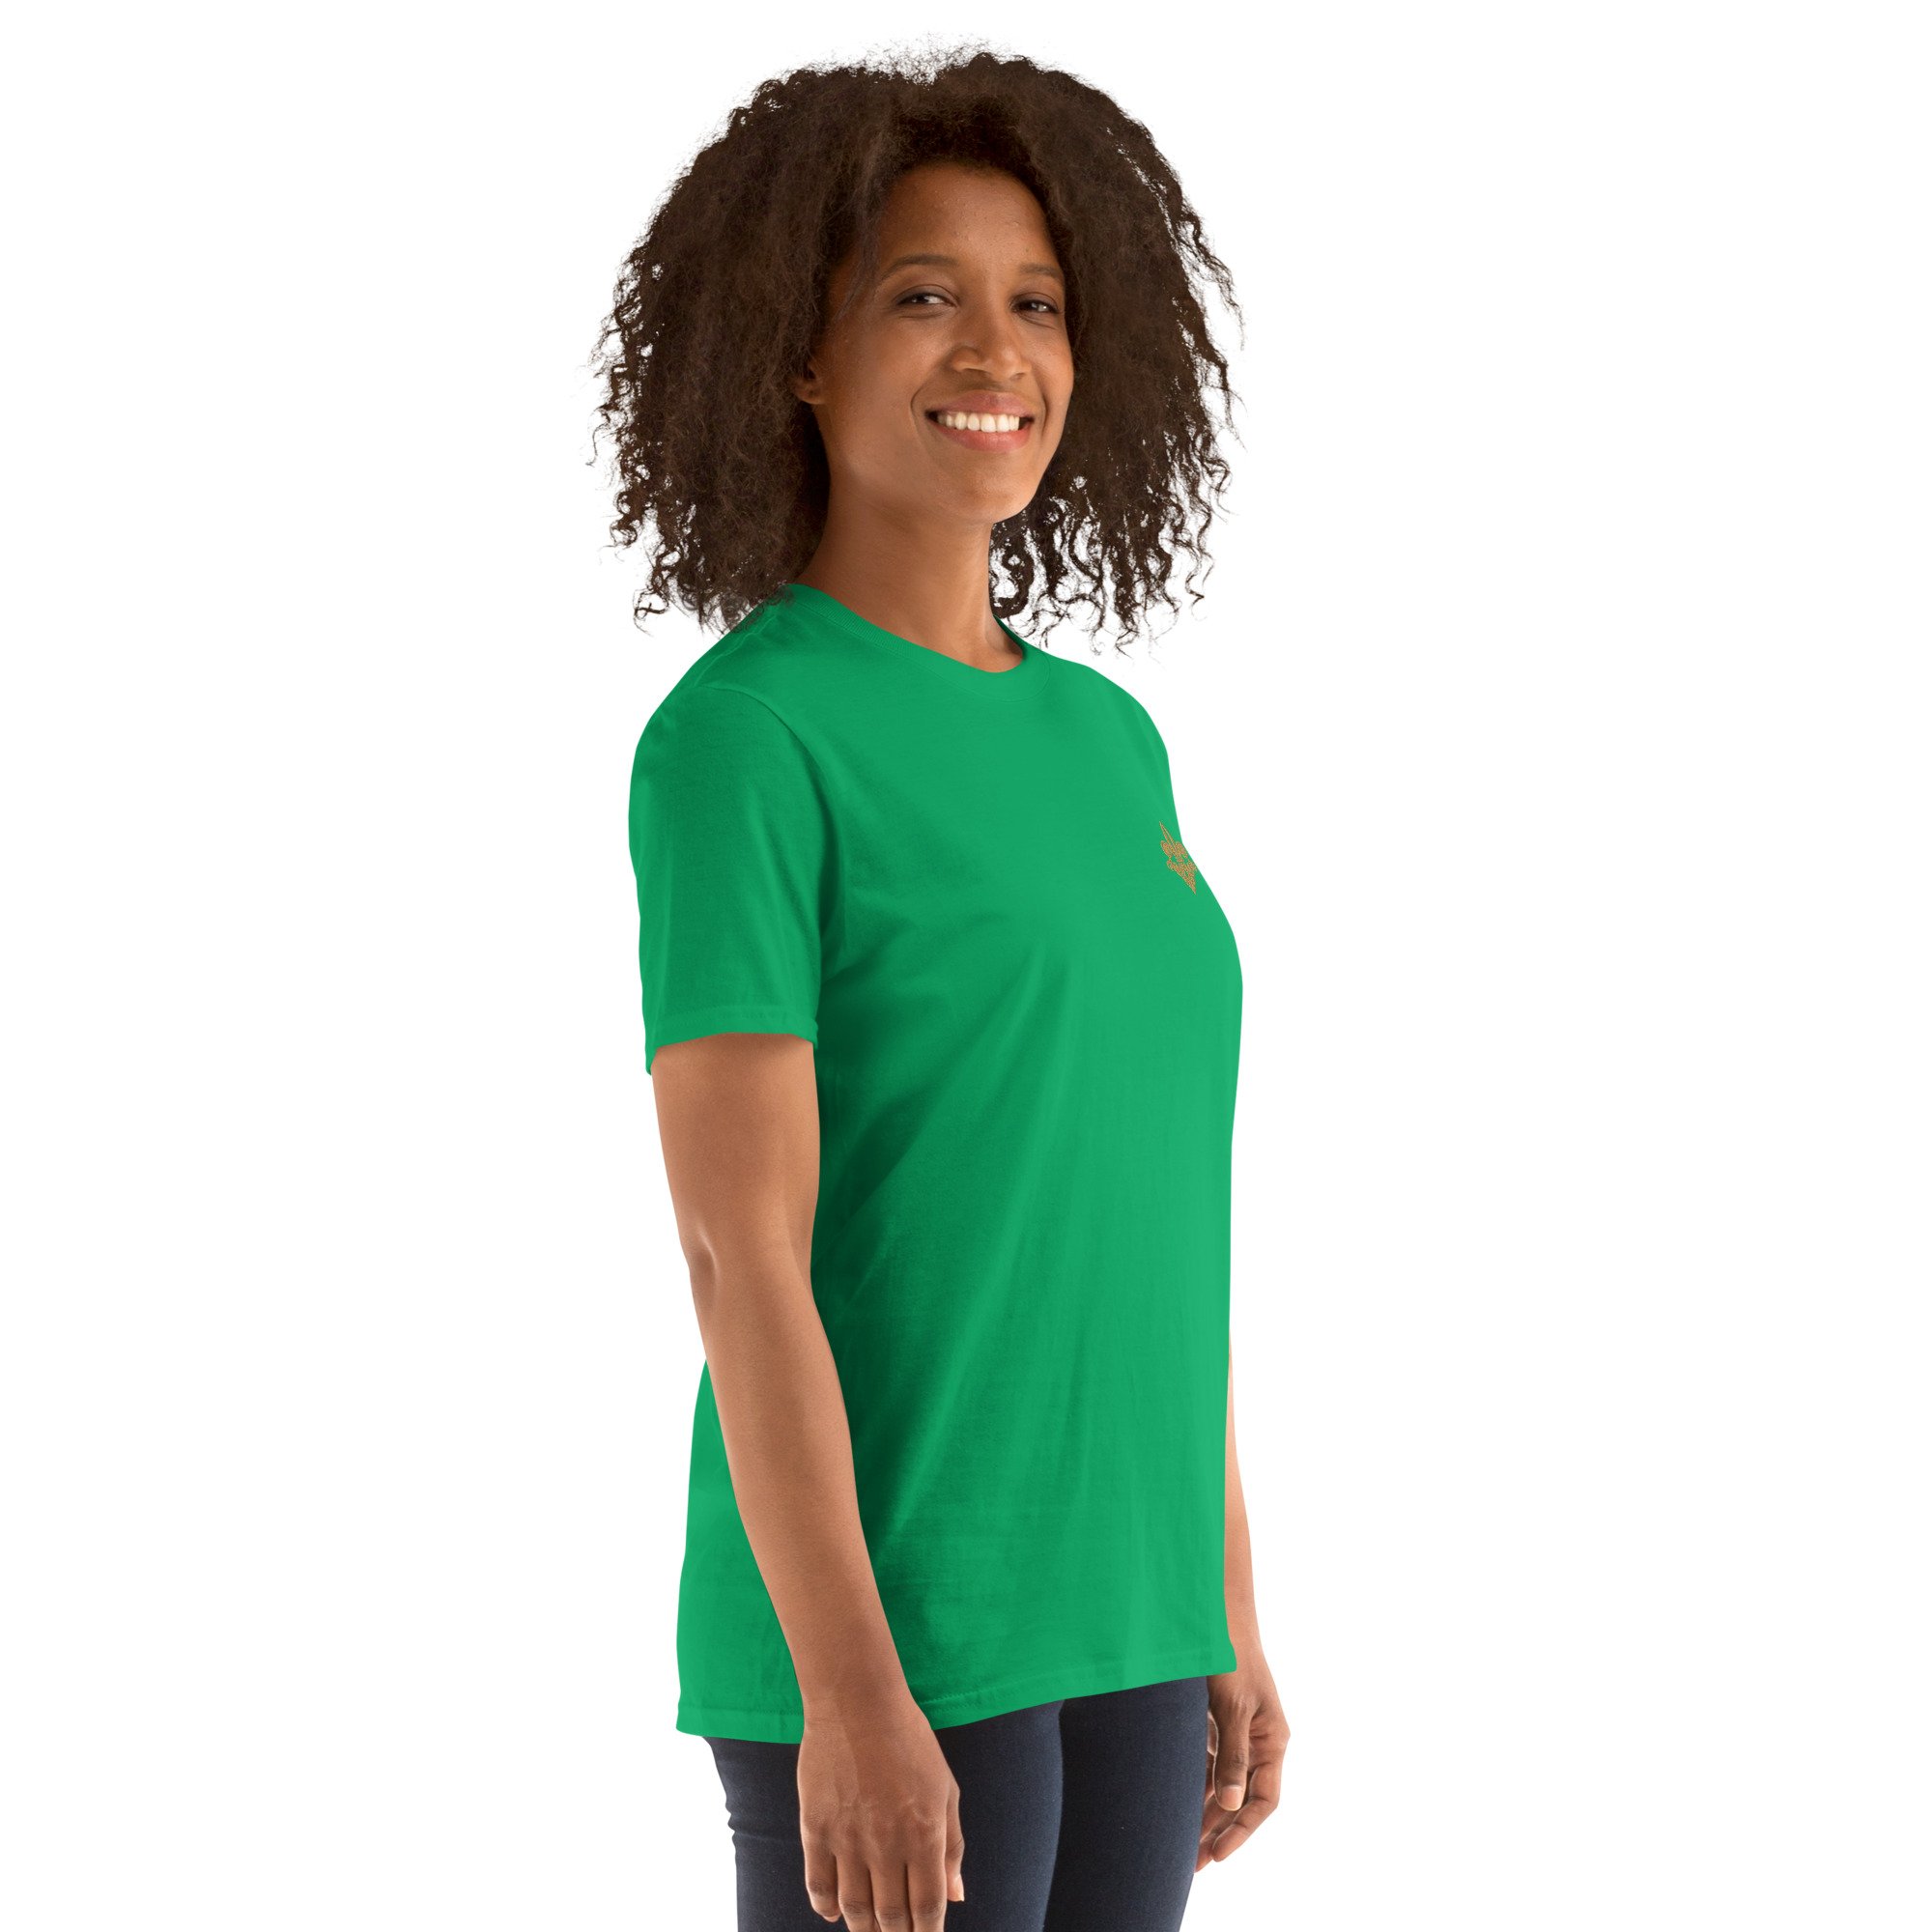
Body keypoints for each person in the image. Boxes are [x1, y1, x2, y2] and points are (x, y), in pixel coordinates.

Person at [593, 43, 1290, 1932]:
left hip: (1129, 1613)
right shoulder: (747, 742)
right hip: (900, 1621)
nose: (995, 350)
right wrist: (845, 1692)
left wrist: (1218, 1591)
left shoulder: (1109, 742)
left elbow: (1139, 1202)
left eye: (1036, 303)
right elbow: (741, 1251)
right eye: (923, 296)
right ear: (800, 357)